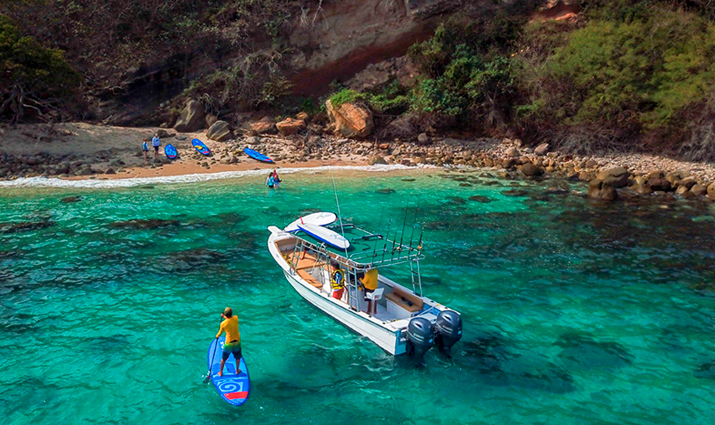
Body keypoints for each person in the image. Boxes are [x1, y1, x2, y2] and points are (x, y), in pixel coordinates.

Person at [215, 307, 242, 377]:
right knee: (237, 357)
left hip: (228, 343)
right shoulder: (236, 318)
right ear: (231, 313)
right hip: (237, 342)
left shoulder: (223, 324)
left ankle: (220, 372)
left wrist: (217, 336)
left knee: (224, 358)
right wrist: (224, 316)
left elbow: (220, 332)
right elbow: (230, 319)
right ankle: (237, 370)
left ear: (225, 314)